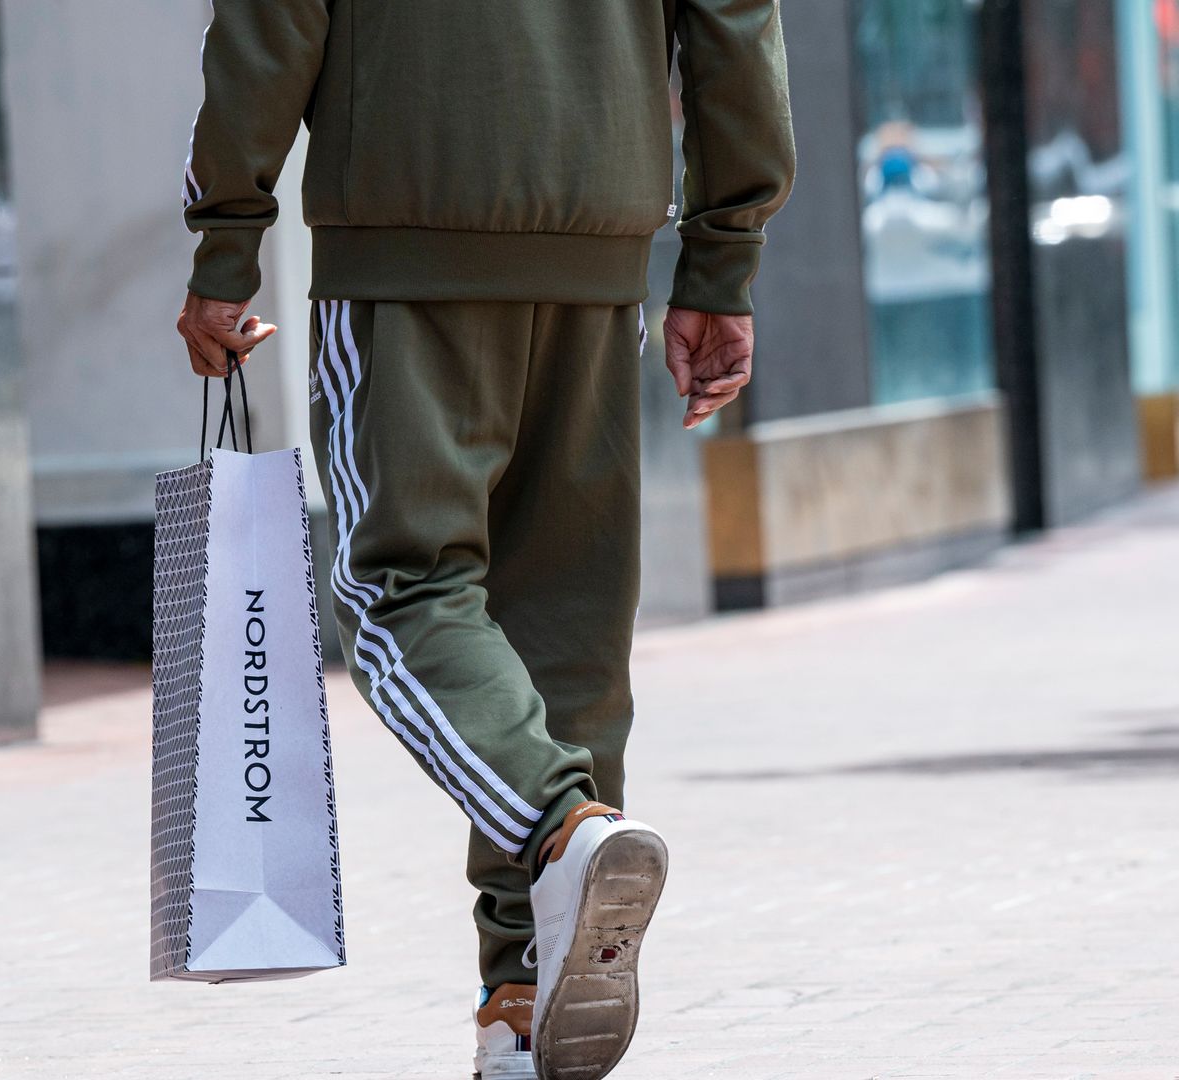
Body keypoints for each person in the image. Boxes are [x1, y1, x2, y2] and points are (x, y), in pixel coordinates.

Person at [174, 3, 793, 1077]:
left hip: (409, 237)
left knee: (398, 587)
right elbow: (735, 18)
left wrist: (228, 238)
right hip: (598, 236)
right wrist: (720, 260)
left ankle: (564, 831)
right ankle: (521, 1003)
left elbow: (273, 19)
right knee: (564, 627)